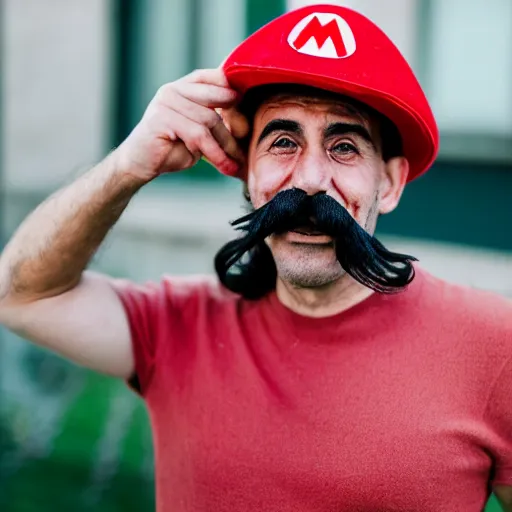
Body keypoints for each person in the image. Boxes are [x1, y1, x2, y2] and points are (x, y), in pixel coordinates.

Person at [0, 4, 511, 511]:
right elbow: (21, 294)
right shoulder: (177, 325)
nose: (310, 179)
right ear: (246, 174)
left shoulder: (495, 344)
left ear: (391, 183)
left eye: (345, 147)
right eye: (283, 142)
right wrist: (129, 166)